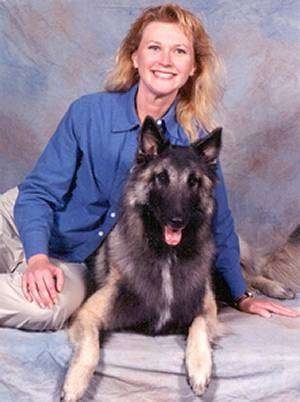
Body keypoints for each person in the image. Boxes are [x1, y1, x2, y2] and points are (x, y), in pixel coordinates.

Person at [0, 3, 298, 331]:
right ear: (134, 58)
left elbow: (218, 220)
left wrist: (241, 295)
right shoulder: (88, 113)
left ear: (194, 67)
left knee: (47, 310)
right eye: (154, 48)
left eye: (180, 51)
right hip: (19, 221)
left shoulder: (193, 140)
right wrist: (36, 257)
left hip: (71, 254)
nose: (165, 61)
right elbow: (38, 193)